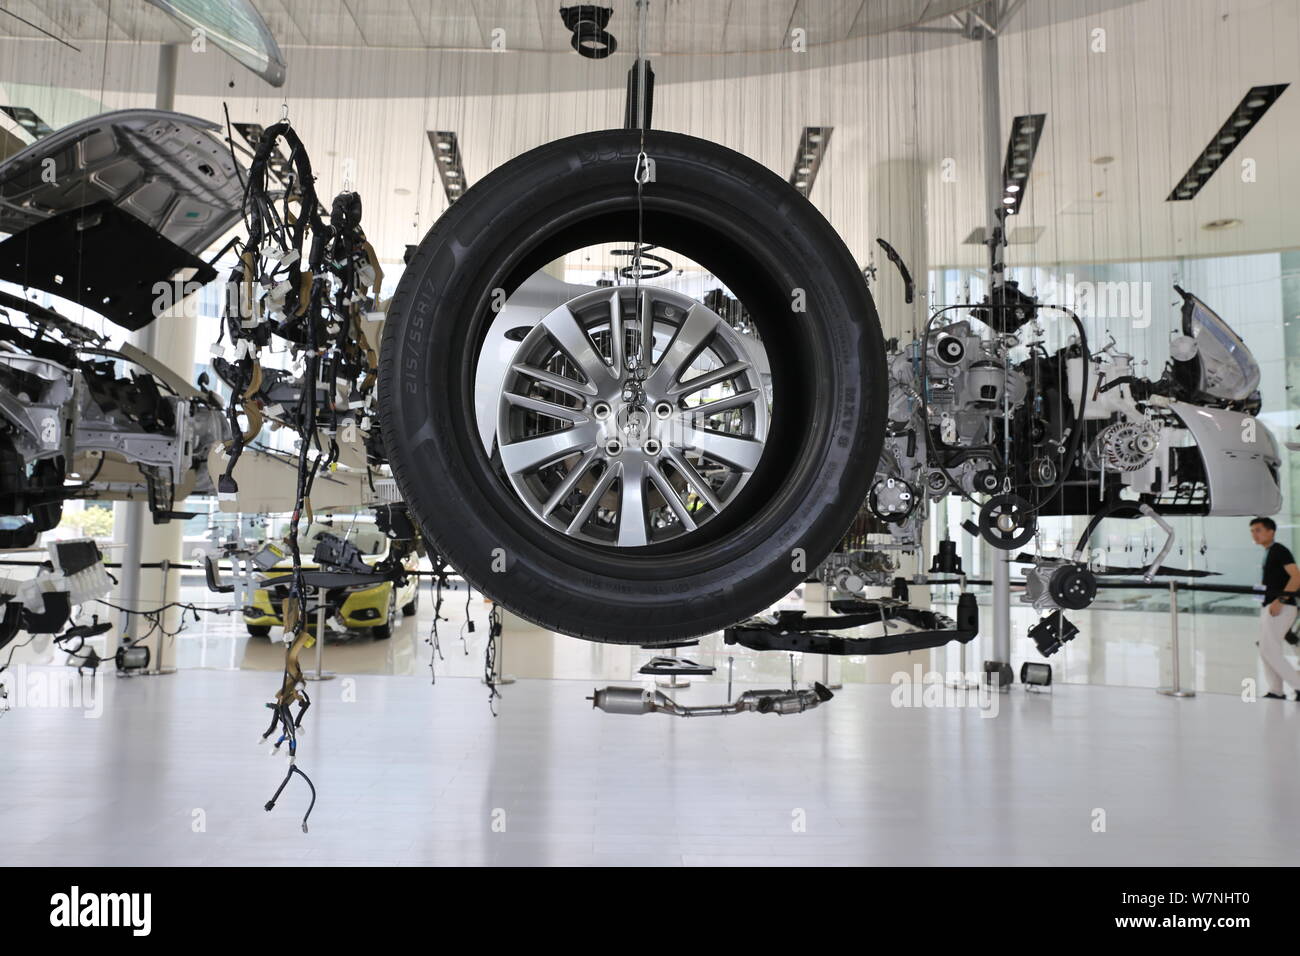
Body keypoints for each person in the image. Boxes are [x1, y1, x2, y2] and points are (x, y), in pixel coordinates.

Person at [1249, 517, 1300, 700]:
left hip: (1281, 607)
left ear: (1271, 531)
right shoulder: (1270, 552)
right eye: (1252, 531)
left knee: (1270, 649)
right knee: (1266, 649)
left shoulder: (1279, 551)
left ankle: (1297, 686)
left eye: (1258, 530)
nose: (1254, 534)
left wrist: (1282, 599)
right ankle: (1276, 690)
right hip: (1271, 606)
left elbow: (1296, 576)